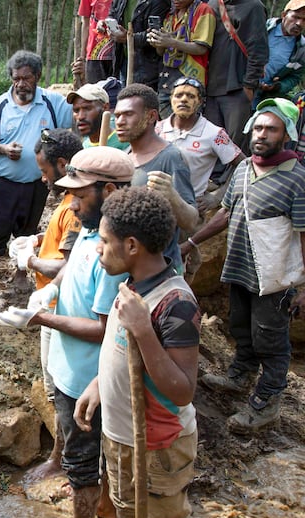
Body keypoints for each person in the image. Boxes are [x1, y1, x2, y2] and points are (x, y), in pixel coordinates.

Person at [0, 146, 133, 518]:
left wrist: (40, 318)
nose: (71, 204)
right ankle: (104, 508)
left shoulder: (116, 254)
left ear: (110, 192)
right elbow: (71, 265)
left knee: (84, 467)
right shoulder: (91, 230)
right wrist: (50, 288)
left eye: (81, 196)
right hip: (70, 370)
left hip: (91, 378)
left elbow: (106, 330)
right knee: (87, 455)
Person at [75, 186, 201, 518]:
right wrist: (100, 382)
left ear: (131, 246)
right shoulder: (131, 284)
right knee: (129, 516)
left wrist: (145, 331)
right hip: (123, 438)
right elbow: (122, 350)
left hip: (157, 448)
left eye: (104, 239)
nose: (97, 248)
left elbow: (182, 391)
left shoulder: (175, 303)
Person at [182, 97, 305, 433]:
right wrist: (191, 242)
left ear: (286, 135)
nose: (262, 134)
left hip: (275, 278)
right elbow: (225, 213)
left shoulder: (297, 179)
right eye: (259, 127)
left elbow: (304, 235)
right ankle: (240, 375)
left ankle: (267, 402)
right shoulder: (243, 169)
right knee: (240, 326)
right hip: (240, 269)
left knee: (271, 341)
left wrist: (304, 288)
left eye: (272, 129)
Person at [7, 129, 83, 481]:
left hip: (62, 305)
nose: (42, 177)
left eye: (44, 169)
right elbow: (61, 243)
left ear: (62, 165)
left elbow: (70, 264)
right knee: (55, 387)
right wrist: (37, 239)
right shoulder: (69, 200)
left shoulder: (75, 207)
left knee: (61, 389)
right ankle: (63, 456)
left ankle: (66, 461)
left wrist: (31, 263)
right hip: (53, 303)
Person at [0, 50, 73, 304]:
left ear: (38, 77)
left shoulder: (53, 103)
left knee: (28, 231)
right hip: (3, 183)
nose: (20, 84)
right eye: (16, 78)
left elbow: (68, 135)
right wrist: (3, 149)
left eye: (26, 78)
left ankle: (20, 274)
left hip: (37, 184)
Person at [113, 83, 198, 272]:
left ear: (151, 116)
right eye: (117, 115)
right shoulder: (125, 156)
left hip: (161, 272)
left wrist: (172, 196)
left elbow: (191, 221)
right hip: (130, 269)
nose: (119, 121)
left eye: (128, 114)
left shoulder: (170, 157)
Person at [156, 77, 244, 212]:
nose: (184, 99)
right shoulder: (157, 129)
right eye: (178, 95)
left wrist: (218, 195)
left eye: (190, 96)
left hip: (189, 209)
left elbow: (244, 164)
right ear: (171, 99)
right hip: (156, 205)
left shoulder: (214, 133)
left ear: (200, 102)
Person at [204, 0, 268, 153]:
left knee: (233, 146)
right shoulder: (212, 3)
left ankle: (232, 177)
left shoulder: (253, 6)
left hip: (237, 86)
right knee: (210, 143)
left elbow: (258, 49)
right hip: (210, 87)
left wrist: (249, 85)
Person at [147, 0, 216, 118]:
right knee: (168, 127)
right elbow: (161, 52)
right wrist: (158, 42)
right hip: (167, 81)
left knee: (188, 125)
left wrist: (171, 42)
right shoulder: (171, 15)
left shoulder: (203, 10)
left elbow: (201, 48)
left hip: (191, 81)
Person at [106, 0, 170, 90]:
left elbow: (157, 33)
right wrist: (109, 26)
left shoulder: (158, 2)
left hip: (147, 67)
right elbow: (113, 14)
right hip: (123, 61)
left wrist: (130, 38)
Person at [254, 1, 305, 106]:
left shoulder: (302, 50)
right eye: (295, 17)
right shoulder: (263, 28)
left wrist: (278, 86)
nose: (299, 23)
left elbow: (294, 78)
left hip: (263, 100)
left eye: (304, 20)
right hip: (239, 90)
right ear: (284, 15)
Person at [67, 83, 129, 149]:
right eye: (76, 110)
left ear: (105, 108)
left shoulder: (124, 144)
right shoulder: (84, 147)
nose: (80, 117)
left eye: (87, 108)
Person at [78, 0, 117, 83]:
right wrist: (82, 57)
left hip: (118, 52)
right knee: (95, 92)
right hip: (94, 53)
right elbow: (86, 24)